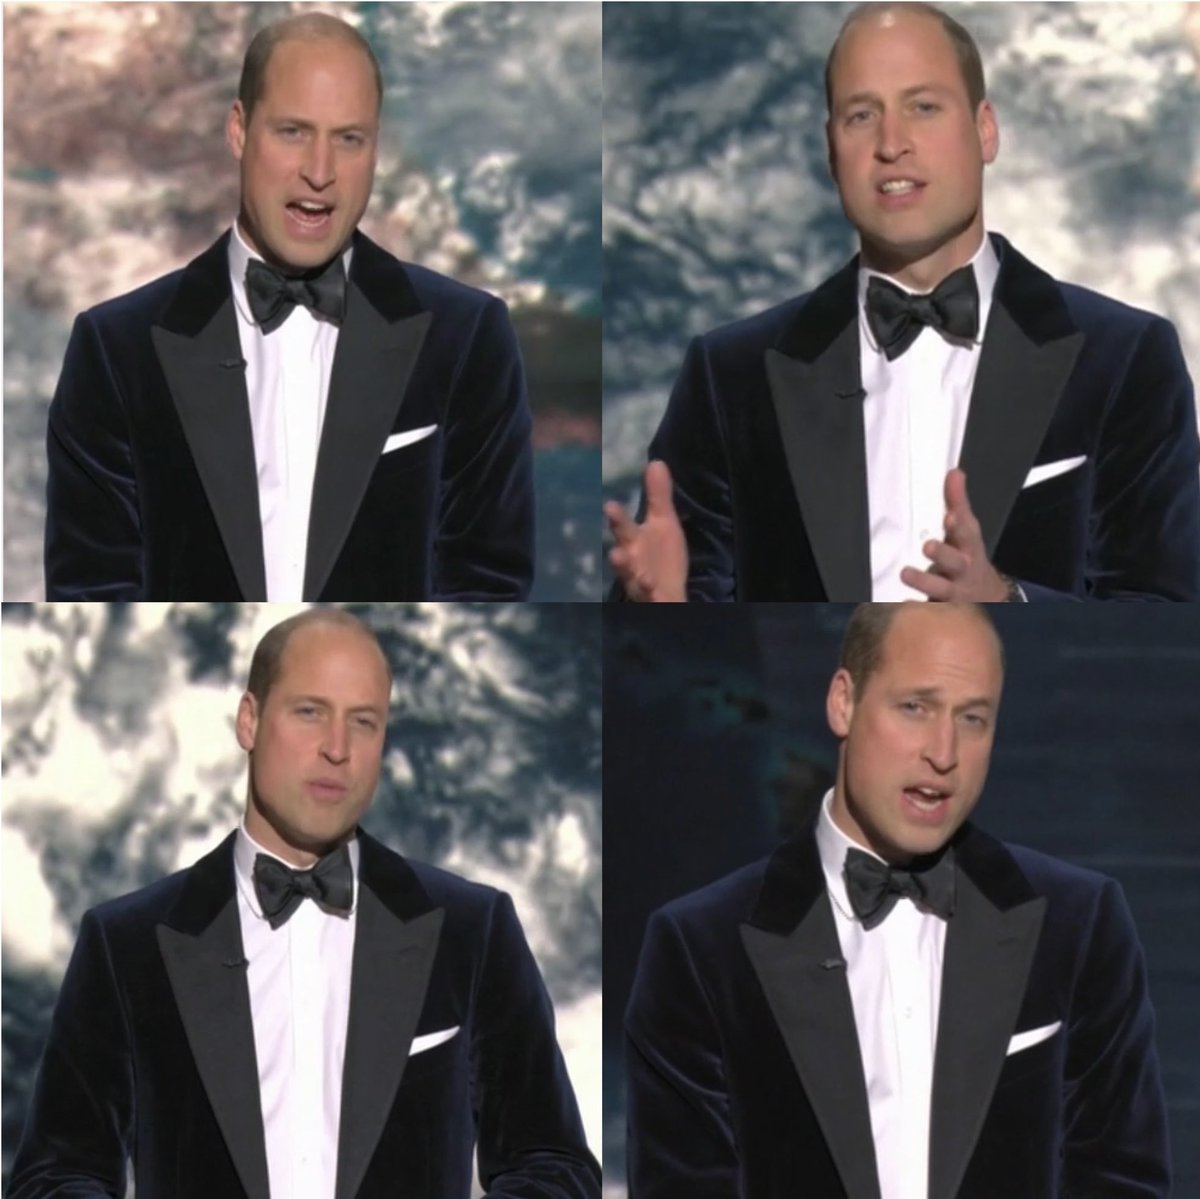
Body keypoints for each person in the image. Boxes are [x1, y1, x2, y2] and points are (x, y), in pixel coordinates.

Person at [606, 2, 1200, 602]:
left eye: (924, 107)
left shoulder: (1125, 360)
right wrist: (663, 608)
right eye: (861, 116)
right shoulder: (730, 376)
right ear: (831, 150)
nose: (892, 144)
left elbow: (1169, 616)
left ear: (985, 130)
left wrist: (1010, 606)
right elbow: (676, 652)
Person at [9, 608, 599, 1199]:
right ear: (249, 720)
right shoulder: (127, 945)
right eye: (310, 712)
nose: (337, 748)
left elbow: (553, 1164)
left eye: (363, 722)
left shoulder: (472, 931)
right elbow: (57, 1176)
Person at [624, 603, 1170, 1197]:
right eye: (916, 707)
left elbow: (1120, 1177)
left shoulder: (1080, 922)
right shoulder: (701, 946)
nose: (944, 752)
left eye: (973, 718)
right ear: (844, 702)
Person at [45, 13, 534, 601]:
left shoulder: (466, 337)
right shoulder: (116, 350)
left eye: (348, 139)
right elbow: (94, 590)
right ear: (239, 130)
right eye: (293, 132)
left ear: (376, 149)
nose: (320, 172)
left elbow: (487, 582)